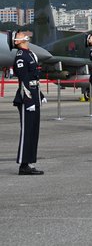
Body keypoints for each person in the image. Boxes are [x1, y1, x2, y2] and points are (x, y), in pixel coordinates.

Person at [11, 31, 46, 175]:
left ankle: (29, 162)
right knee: (26, 131)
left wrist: (40, 94)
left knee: (33, 131)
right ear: (17, 41)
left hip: (34, 94)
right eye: (19, 34)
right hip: (26, 98)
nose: (23, 33)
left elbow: (34, 78)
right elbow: (23, 79)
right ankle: (23, 164)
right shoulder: (21, 56)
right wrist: (28, 100)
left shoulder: (30, 53)